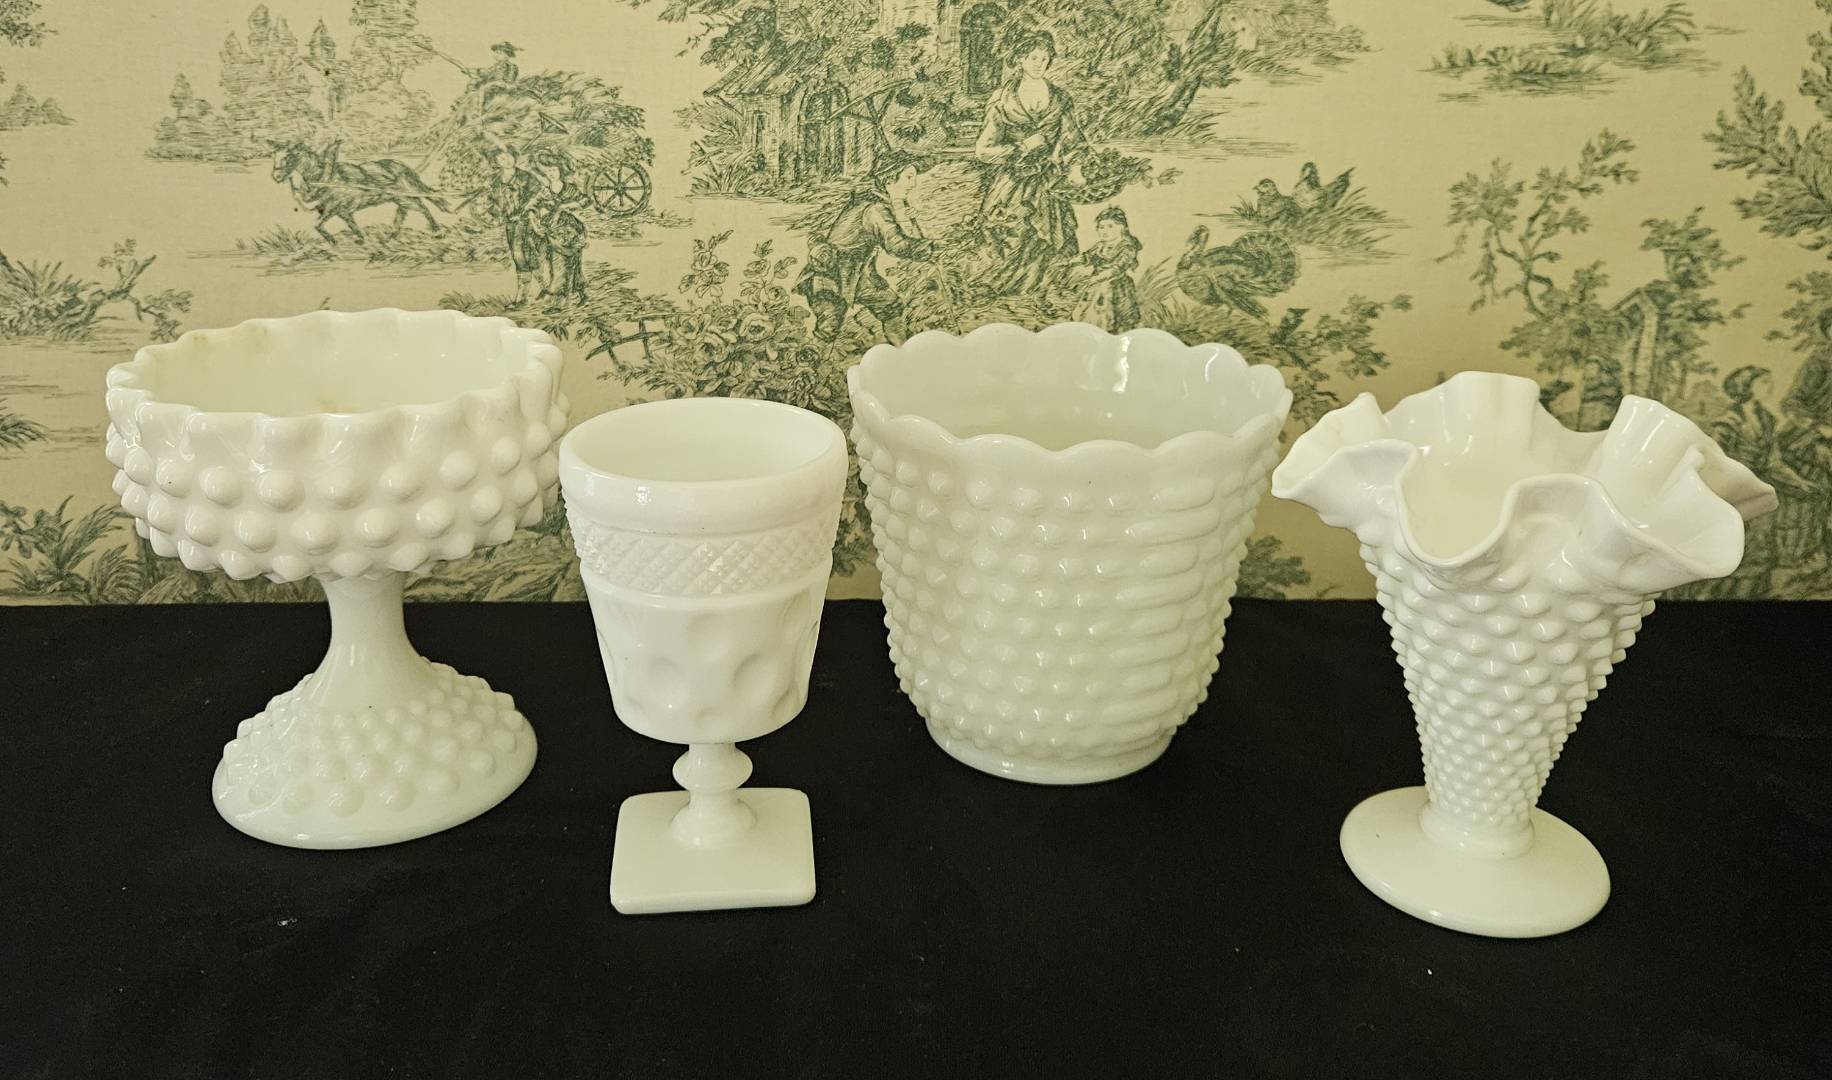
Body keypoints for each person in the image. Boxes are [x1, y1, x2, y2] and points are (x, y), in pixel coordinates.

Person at [973, 31, 1085, 296]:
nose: (1039, 63)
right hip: (1013, 182)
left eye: (1044, 59)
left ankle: (1047, 288)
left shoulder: (1060, 98)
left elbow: (1073, 139)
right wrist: (1022, 147)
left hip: (1048, 181)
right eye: (1033, 57)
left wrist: (1076, 168)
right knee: (1010, 233)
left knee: (1052, 236)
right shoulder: (1003, 99)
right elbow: (983, 151)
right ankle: (1002, 287)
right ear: (1020, 59)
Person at [793, 153, 937, 343]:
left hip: (859, 275)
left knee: (891, 308)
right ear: (889, 179)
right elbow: (896, 244)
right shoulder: (874, 209)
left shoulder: (873, 203)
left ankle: (901, 349)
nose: (913, 184)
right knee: (828, 330)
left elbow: (901, 239)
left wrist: (907, 221)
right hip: (832, 277)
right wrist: (932, 249)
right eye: (909, 177)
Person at [1699, 365, 1788, 597]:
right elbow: (1713, 460)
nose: (1770, 386)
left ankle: (1757, 599)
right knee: (1733, 548)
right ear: (1746, 386)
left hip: (1760, 491)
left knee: (1760, 548)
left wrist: (1800, 483)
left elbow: (1774, 461)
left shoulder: (1767, 419)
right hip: (1733, 491)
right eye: (1764, 382)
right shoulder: (1728, 421)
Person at [1779, 308, 1832, 572]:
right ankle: (1817, 555)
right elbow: (1792, 403)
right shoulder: (1819, 362)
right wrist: (1820, 428)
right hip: (1814, 437)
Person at [1072, 206, 1142, 332]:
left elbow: (1117, 268)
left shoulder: (1127, 247)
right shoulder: (1100, 246)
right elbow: (1086, 257)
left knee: (1114, 317)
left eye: (1110, 226)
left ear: (1122, 227)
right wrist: (1069, 262)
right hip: (1096, 284)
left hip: (1116, 285)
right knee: (1088, 313)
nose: (1104, 231)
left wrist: (1097, 278)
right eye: (1101, 227)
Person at [488, 148, 543, 302]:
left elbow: (537, 196)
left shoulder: (526, 177)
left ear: (514, 156)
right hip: (510, 222)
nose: (507, 161)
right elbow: (493, 203)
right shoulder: (495, 181)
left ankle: (523, 296)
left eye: (509, 156)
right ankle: (544, 288)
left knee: (522, 254)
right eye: (502, 159)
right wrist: (498, 215)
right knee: (519, 254)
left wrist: (527, 211)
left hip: (527, 220)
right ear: (496, 162)